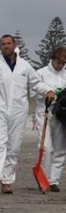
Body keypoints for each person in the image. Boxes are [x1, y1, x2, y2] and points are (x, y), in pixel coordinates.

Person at [0, 34, 55, 194]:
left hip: (18, 110)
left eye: (8, 43)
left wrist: (48, 90)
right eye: (3, 44)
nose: (6, 46)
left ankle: (7, 180)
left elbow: (36, 83)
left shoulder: (25, 66)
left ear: (14, 45)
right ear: (0, 47)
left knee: (13, 146)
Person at [33, 46, 66, 192]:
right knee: (45, 147)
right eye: (58, 62)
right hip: (44, 113)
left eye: (63, 63)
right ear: (52, 59)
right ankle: (44, 178)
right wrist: (47, 91)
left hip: (61, 115)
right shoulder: (41, 73)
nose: (60, 65)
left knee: (60, 148)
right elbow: (34, 90)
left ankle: (54, 180)